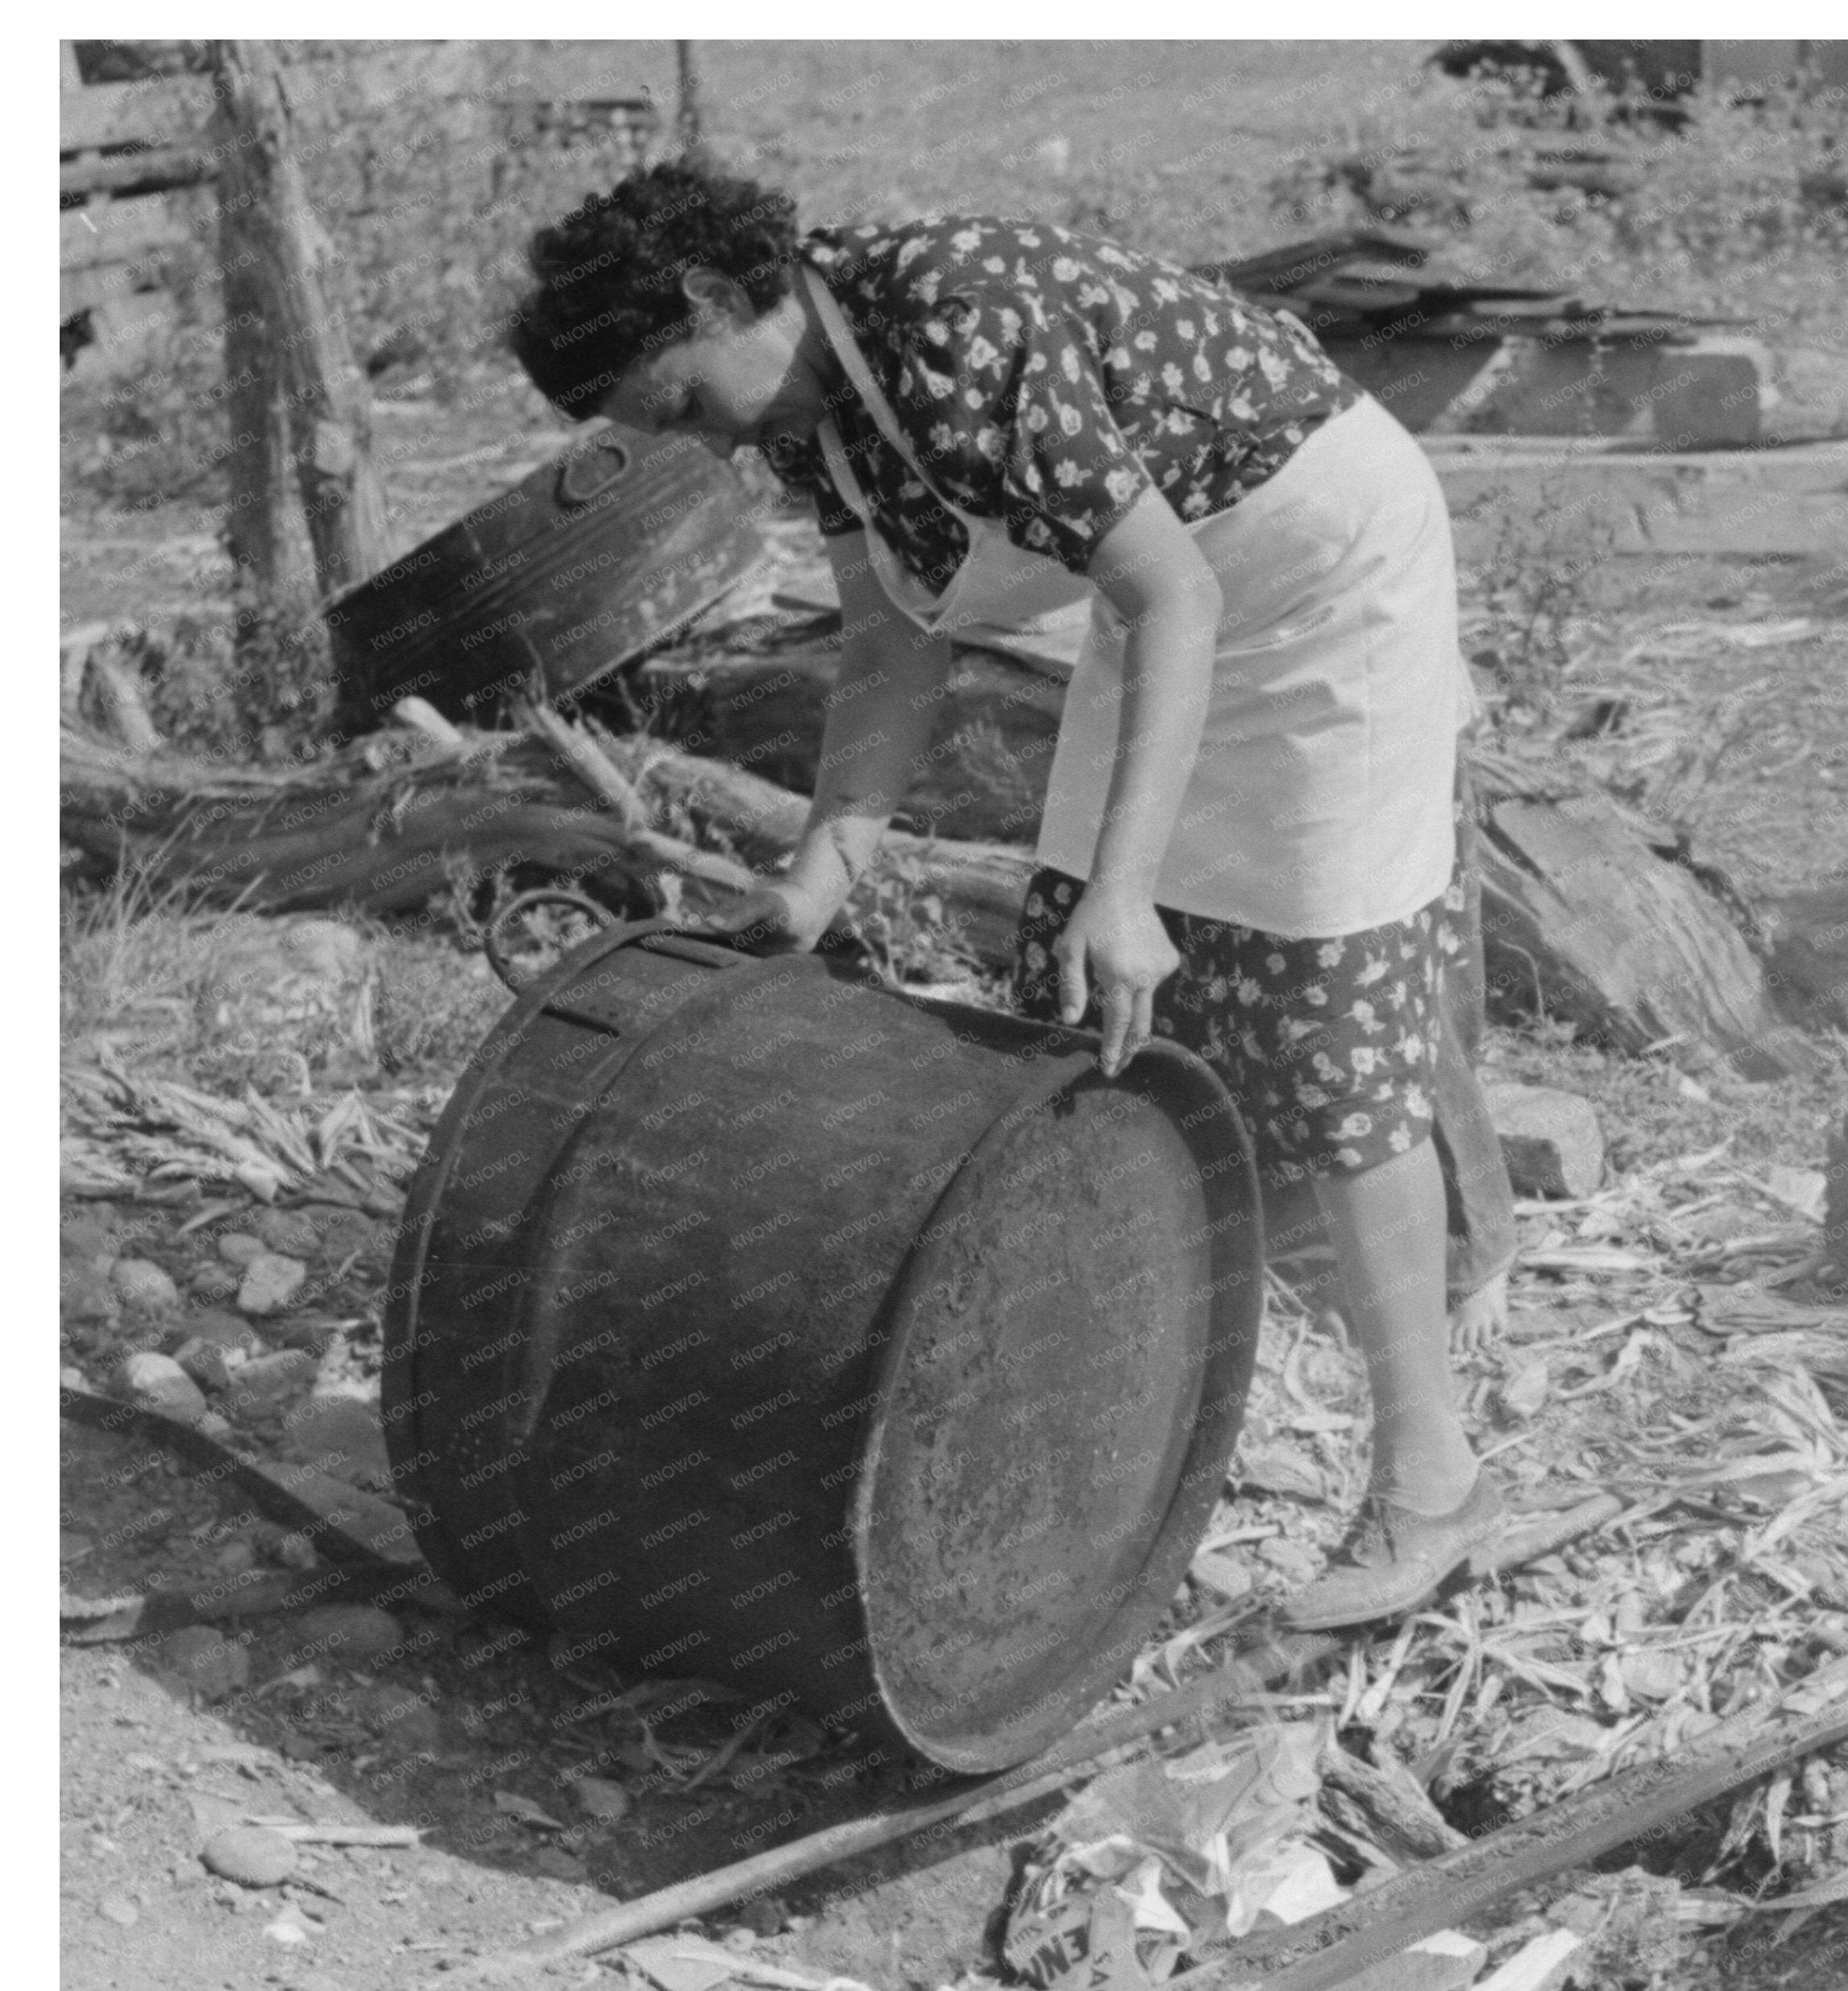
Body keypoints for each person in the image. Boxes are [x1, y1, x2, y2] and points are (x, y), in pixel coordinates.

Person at [506, 162, 1519, 1629]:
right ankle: (1105, 1428)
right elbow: (888, 637)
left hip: (1311, 580)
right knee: (1062, 992)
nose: (696, 445)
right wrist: (816, 877)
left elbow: (1174, 589)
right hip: (1166, 594)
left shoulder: (949, 318)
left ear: (712, 299)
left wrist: (1131, 887)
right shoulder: (808, 407)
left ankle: (1432, 1473)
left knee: (1325, 1032)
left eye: (675, 402)